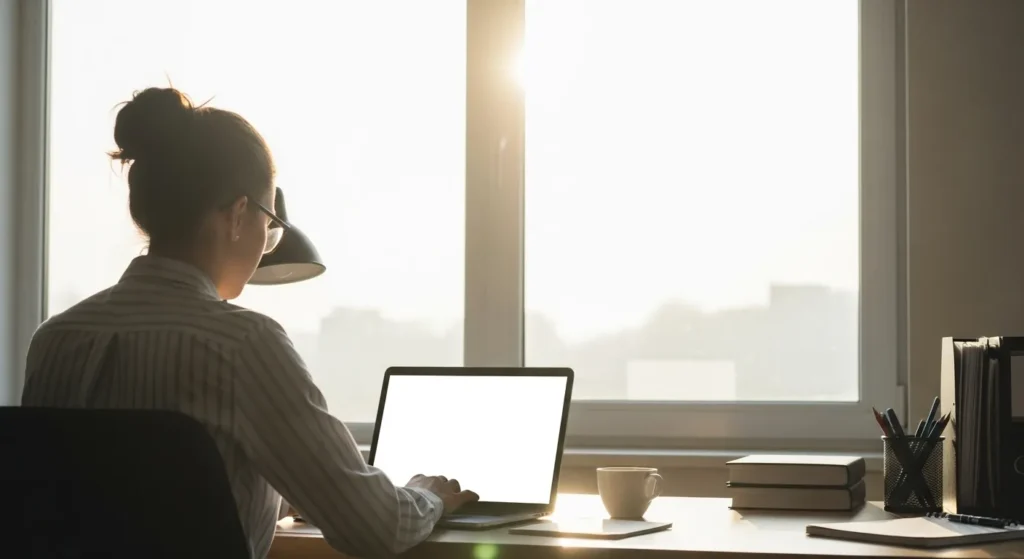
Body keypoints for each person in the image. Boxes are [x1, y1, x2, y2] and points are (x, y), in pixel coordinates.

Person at [20, 87, 478, 559]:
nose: (267, 242)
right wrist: (427, 496)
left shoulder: (54, 340)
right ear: (239, 214)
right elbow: (376, 529)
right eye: (269, 223)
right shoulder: (242, 345)